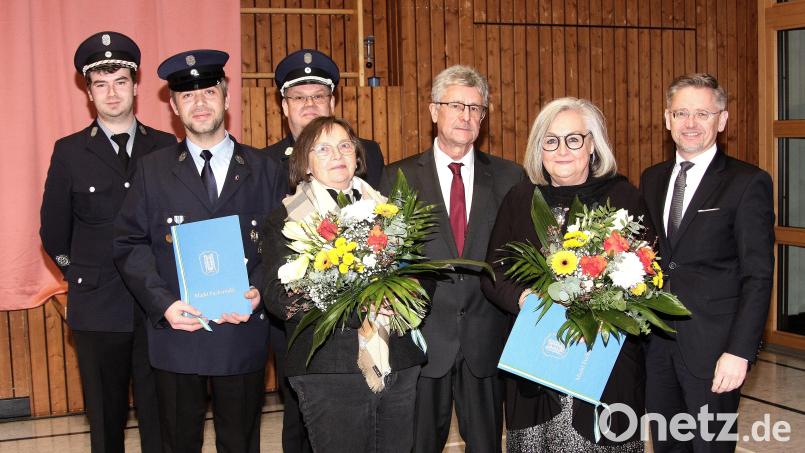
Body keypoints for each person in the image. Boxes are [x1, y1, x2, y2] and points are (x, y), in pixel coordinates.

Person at [113, 49, 286, 452]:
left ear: (226, 97)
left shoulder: (264, 169)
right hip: (178, 333)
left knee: (240, 442)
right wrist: (163, 304)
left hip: (241, 330)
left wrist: (260, 288)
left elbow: (287, 244)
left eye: (208, 91)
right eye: (187, 96)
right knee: (177, 442)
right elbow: (128, 243)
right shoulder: (152, 171)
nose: (200, 103)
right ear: (173, 107)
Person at [481, 97, 647, 452]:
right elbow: (493, 271)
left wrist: (605, 299)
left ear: (592, 145)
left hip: (602, 365)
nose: (562, 150)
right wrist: (522, 297)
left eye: (574, 139)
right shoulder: (520, 198)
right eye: (551, 140)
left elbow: (647, 272)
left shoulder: (623, 197)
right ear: (539, 147)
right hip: (536, 364)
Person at [39, 31, 175, 453]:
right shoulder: (70, 152)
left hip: (157, 307)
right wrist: (82, 276)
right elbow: (53, 231)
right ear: (89, 93)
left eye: (120, 82)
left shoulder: (166, 146)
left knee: (162, 417)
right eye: (101, 84)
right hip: (98, 308)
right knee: (104, 418)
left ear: (136, 86)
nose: (111, 93)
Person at [262, 116, 426, 452]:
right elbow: (279, 298)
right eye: (322, 148)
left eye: (344, 145)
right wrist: (357, 307)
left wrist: (402, 297)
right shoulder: (288, 217)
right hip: (329, 367)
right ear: (304, 163)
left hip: (398, 359)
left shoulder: (388, 208)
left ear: (357, 155)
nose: (337, 154)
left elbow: (423, 273)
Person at [382, 65, 524, 453]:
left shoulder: (512, 178)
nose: (466, 115)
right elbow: (385, 262)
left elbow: (523, 257)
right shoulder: (397, 179)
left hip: (488, 340)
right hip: (422, 341)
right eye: (456, 105)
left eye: (476, 108)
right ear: (433, 111)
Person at [640, 73, 774, 452]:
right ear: (667, 119)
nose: (691, 124)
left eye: (702, 113)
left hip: (715, 350)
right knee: (666, 445)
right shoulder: (652, 179)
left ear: (722, 119)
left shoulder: (747, 183)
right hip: (657, 347)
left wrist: (740, 351)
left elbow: (758, 276)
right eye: (681, 113)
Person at [265, 48, 386, 453]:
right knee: (304, 422)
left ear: (332, 101)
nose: (310, 104)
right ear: (285, 107)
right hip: (303, 320)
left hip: (374, 324)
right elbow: (263, 245)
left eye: (319, 95)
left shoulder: (366, 153)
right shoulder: (267, 161)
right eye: (299, 97)